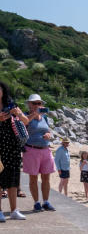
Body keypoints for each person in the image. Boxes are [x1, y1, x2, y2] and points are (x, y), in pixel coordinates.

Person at [23, 93, 57, 212]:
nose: (38, 105)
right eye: (35, 103)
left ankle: (46, 202)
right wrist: (34, 114)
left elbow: (47, 130)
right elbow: (23, 124)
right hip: (31, 149)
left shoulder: (45, 117)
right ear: (29, 104)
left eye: (39, 103)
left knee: (46, 177)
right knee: (33, 178)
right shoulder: (26, 116)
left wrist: (48, 134)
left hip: (45, 149)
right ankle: (36, 202)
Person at [0, 82, 28, 221]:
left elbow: (26, 120)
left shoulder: (11, 104)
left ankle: (14, 210)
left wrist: (18, 114)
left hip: (12, 146)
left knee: (13, 178)